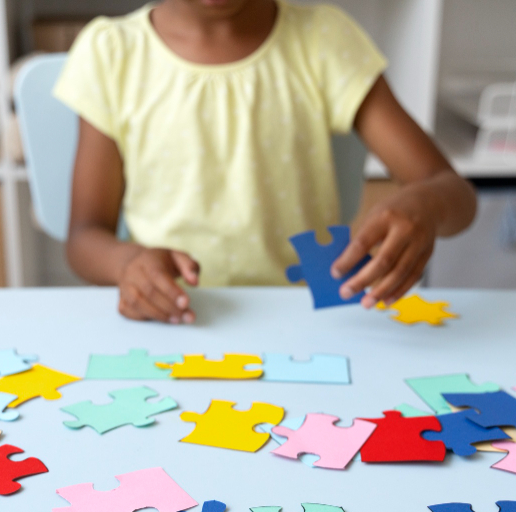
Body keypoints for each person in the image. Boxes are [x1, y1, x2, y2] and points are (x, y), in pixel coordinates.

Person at [54, 0, 476, 324]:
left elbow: (451, 191)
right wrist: (127, 264)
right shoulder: (111, 52)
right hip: (174, 319)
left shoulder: (324, 39)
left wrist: (426, 205)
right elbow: (85, 236)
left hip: (310, 319)